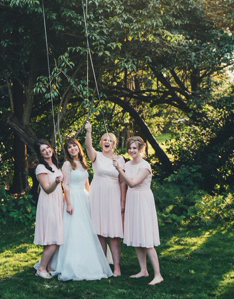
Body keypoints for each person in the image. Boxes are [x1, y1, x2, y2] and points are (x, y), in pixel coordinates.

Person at [50, 138, 113, 281]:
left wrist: (90, 199)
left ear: (79, 147)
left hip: (84, 198)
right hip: (73, 198)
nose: (73, 149)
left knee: (88, 228)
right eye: (69, 147)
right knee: (75, 229)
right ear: (67, 151)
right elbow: (65, 185)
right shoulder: (67, 164)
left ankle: (92, 258)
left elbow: (86, 183)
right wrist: (69, 203)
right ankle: (72, 262)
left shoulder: (84, 163)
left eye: (74, 146)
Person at [117, 136, 163, 285]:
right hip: (132, 201)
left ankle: (158, 274)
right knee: (137, 237)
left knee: (147, 239)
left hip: (143, 201)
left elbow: (132, 183)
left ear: (141, 149)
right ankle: (143, 270)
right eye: (129, 148)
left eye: (134, 148)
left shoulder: (145, 166)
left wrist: (118, 169)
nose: (131, 151)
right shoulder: (128, 165)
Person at [85, 122, 126, 275]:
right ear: (101, 143)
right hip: (98, 196)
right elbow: (88, 147)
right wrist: (89, 131)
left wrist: (122, 202)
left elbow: (122, 182)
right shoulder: (96, 156)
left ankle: (116, 266)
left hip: (114, 197)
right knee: (100, 232)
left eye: (109, 140)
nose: (106, 142)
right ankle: (103, 266)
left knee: (114, 233)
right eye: (104, 139)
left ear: (114, 144)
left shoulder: (120, 160)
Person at [33, 139, 64, 279]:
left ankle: (48, 266)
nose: (47, 151)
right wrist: (56, 183)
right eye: (43, 150)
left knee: (53, 236)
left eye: (48, 148)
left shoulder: (55, 165)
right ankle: (41, 268)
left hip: (57, 202)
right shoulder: (41, 168)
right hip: (48, 203)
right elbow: (47, 189)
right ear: (40, 154)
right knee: (54, 238)